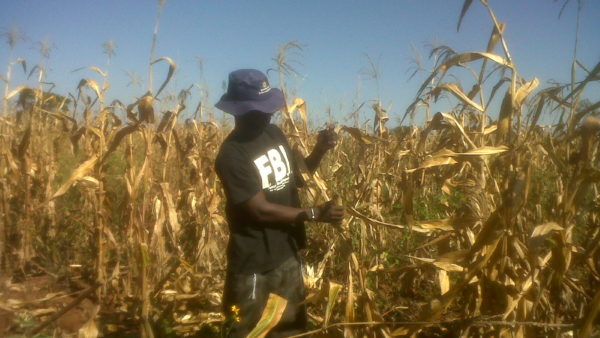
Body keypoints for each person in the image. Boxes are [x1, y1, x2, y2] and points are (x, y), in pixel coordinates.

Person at [214, 69, 344, 337]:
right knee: (245, 330)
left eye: (268, 107)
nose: (268, 113)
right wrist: (314, 213)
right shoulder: (232, 153)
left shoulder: (274, 133)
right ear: (239, 110)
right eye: (260, 109)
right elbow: (257, 209)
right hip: (254, 264)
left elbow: (297, 177)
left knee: (290, 329)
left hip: (287, 252)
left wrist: (320, 149)